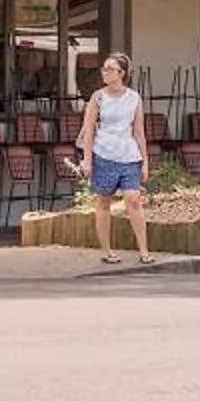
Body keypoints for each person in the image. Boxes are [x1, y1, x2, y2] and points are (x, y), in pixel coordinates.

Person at [76, 52, 154, 265]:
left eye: (110, 69)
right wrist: (87, 160)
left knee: (133, 199)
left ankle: (144, 251)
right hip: (103, 153)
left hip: (129, 155)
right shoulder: (98, 97)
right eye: (104, 69)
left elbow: (139, 132)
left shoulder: (134, 98)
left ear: (122, 73)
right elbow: (89, 130)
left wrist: (145, 162)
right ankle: (107, 251)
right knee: (103, 202)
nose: (105, 72)